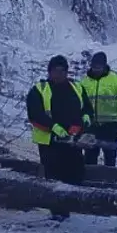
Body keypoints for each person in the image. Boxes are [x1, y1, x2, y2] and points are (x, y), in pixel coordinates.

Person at [27, 55, 89, 220]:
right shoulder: (39, 89)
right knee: (54, 175)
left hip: (73, 140)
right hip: (49, 141)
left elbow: (86, 109)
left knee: (75, 173)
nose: (59, 74)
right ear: (49, 71)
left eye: (62, 71)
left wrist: (84, 122)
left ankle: (72, 204)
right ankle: (57, 210)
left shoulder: (77, 87)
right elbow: (35, 114)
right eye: (56, 71)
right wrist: (53, 127)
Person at [79, 51, 117, 167]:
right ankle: (90, 177)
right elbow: (80, 103)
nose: (96, 69)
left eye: (99, 67)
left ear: (104, 66)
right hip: (91, 124)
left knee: (110, 154)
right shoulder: (84, 82)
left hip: (111, 125)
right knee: (90, 154)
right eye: (94, 67)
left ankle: (110, 177)